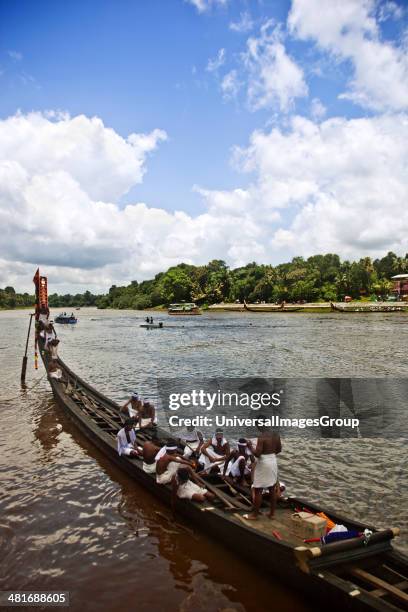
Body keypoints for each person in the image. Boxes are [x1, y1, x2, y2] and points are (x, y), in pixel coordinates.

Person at [244, 419, 282, 520]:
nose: (257, 427)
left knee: (258, 489)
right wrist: (270, 453)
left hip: (264, 462)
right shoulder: (276, 435)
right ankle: (272, 514)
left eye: (257, 425)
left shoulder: (262, 437)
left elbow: (257, 454)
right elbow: (279, 450)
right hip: (273, 460)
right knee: (272, 488)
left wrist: (250, 446)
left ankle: (254, 515)